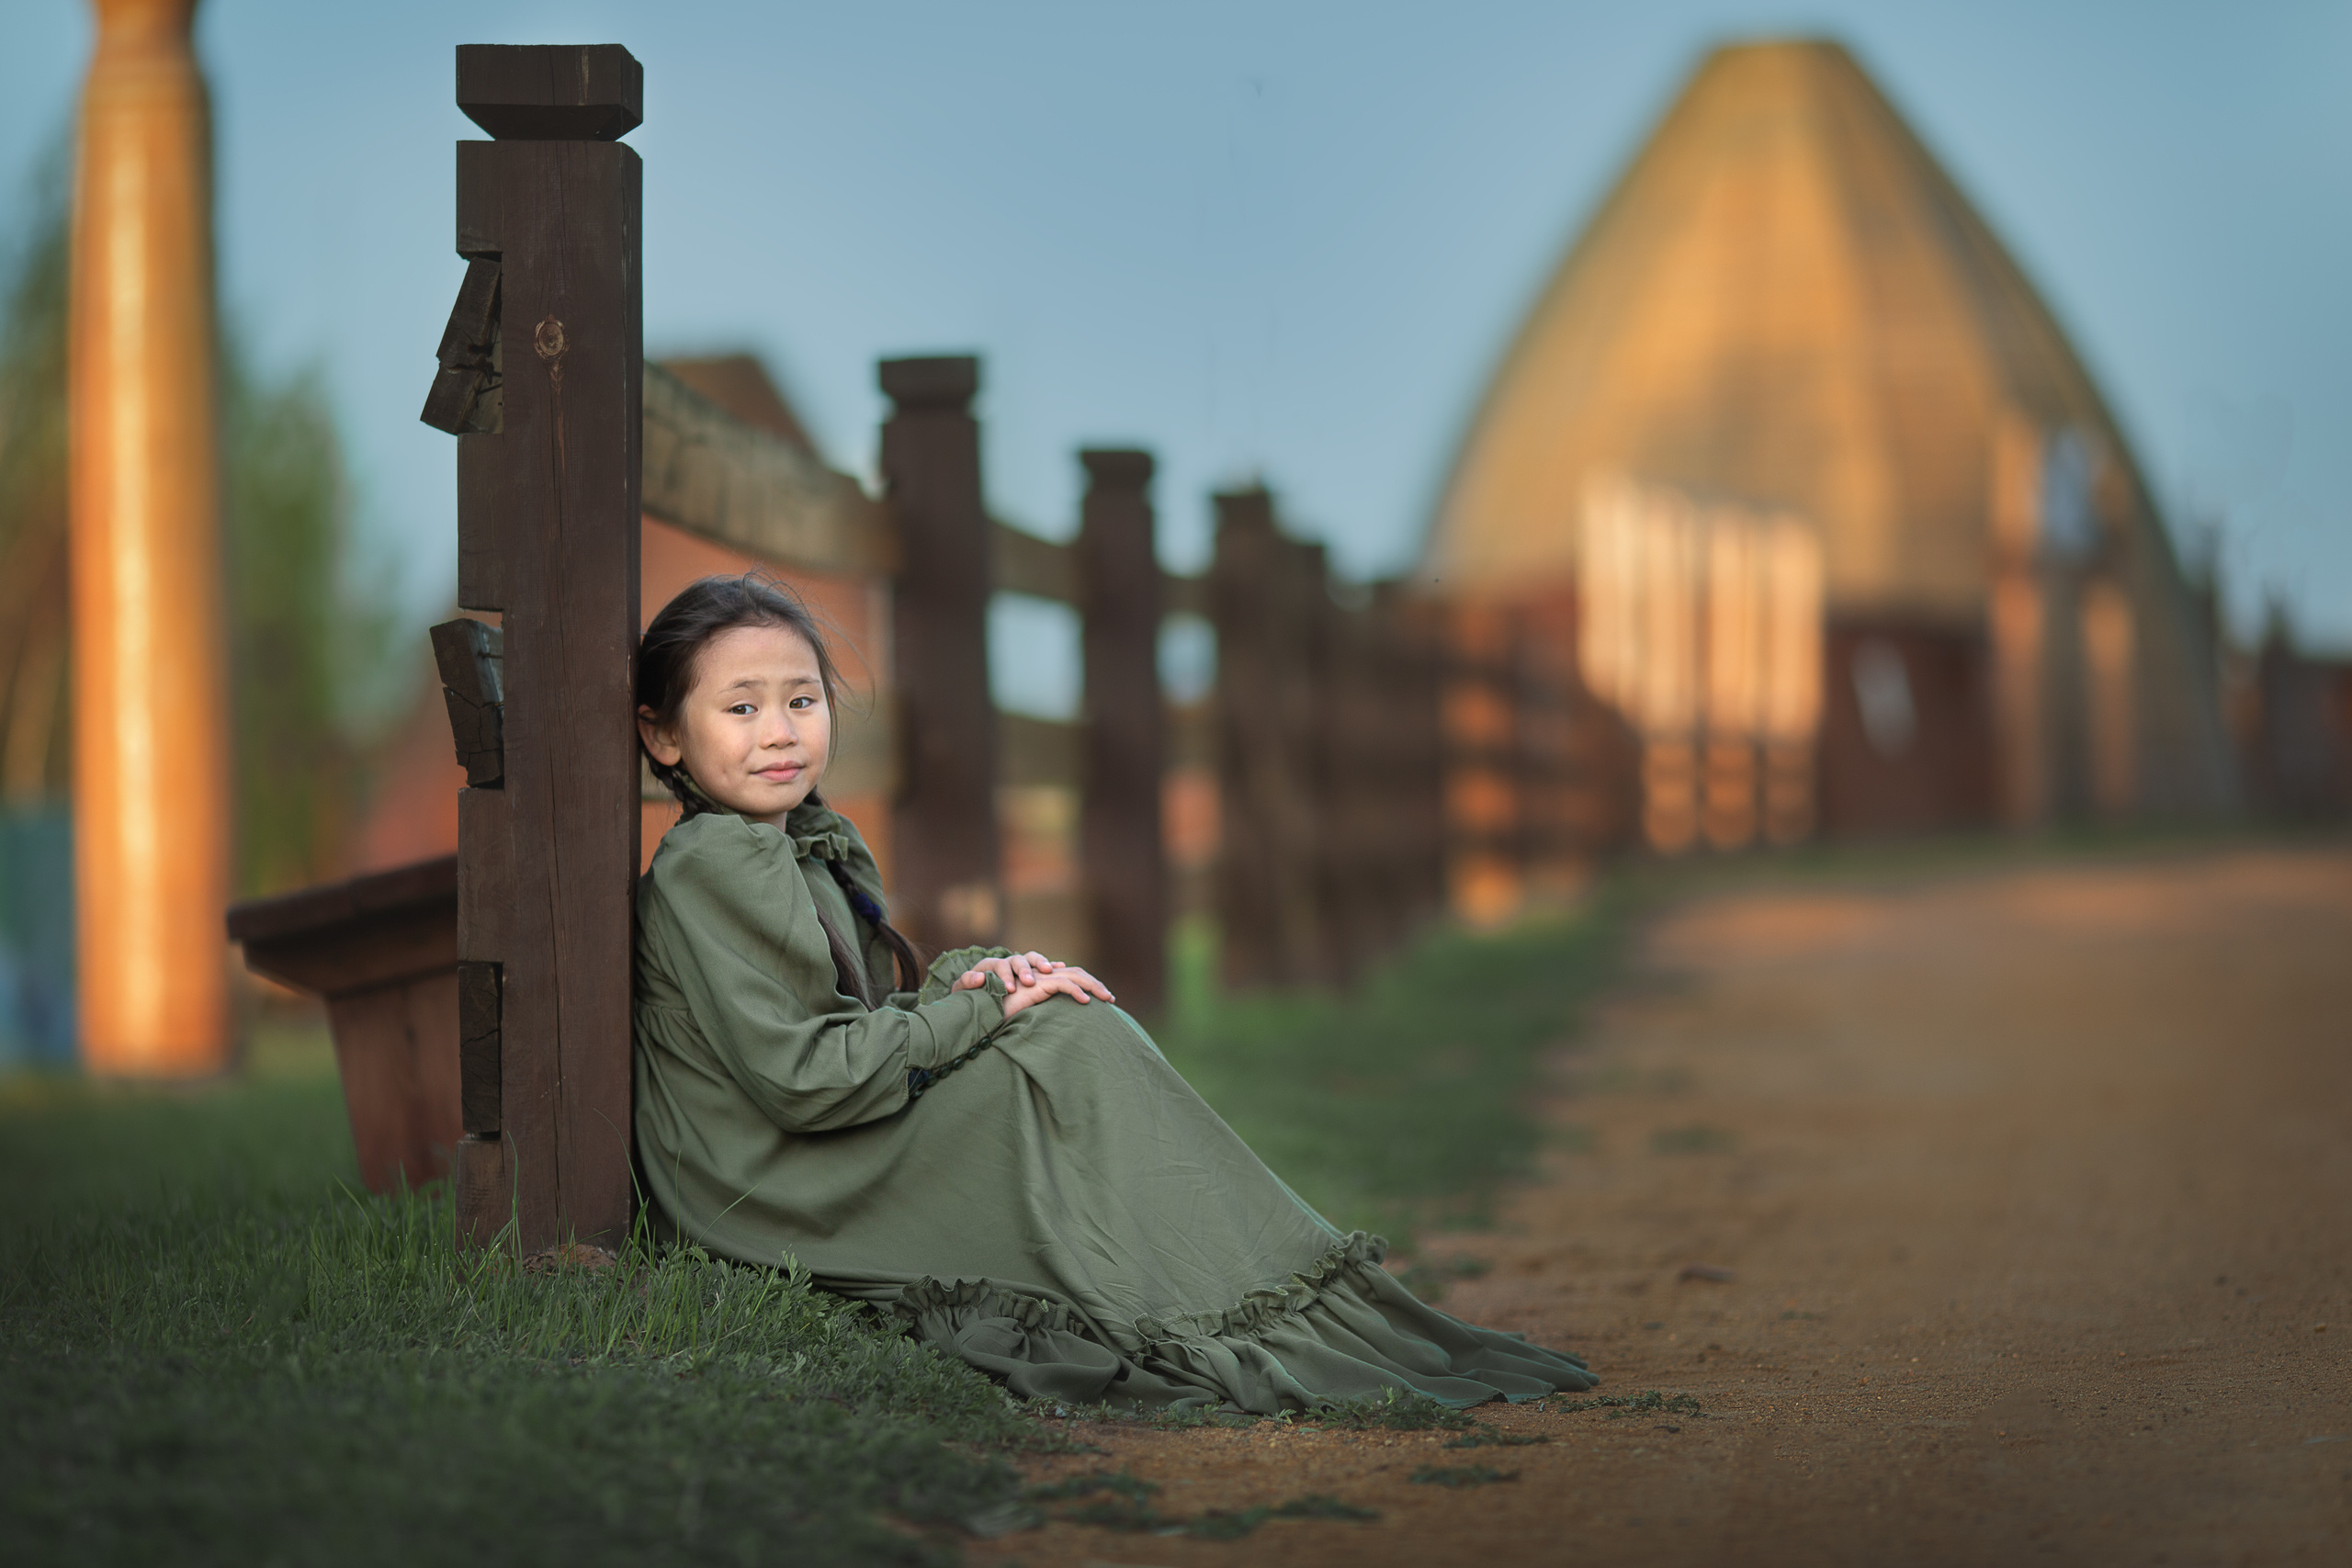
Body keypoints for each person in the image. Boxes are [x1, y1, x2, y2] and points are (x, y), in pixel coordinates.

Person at [630, 572, 1597, 1411]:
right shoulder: (722, 861)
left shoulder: (781, 845)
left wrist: (977, 978)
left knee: (1063, 1030)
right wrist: (978, 1009)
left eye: (802, 700)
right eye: (742, 707)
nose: (780, 733)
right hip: (765, 1185)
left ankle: (1236, 1294)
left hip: (787, 1150)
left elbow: (850, 1020)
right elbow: (804, 1078)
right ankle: (1244, 1302)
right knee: (1067, 1044)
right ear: (664, 736)